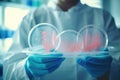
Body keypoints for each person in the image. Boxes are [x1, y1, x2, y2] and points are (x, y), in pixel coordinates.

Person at [3, 0, 120, 80]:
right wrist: (26, 69)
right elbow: (8, 70)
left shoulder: (103, 17)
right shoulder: (31, 19)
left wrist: (108, 70)